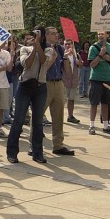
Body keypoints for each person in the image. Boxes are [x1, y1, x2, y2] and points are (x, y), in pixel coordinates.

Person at [6, 29, 49, 164]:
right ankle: (12, 153)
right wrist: (33, 49)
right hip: (25, 87)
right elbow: (27, 64)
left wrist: (38, 46)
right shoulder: (24, 49)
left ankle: (37, 153)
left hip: (40, 87)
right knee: (18, 121)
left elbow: (43, 61)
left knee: (37, 122)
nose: (32, 39)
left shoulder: (47, 50)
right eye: (31, 37)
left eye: (36, 37)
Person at [41, 27, 74, 155]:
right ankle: (35, 144)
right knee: (39, 115)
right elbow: (43, 68)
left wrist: (66, 57)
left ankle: (58, 145)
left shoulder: (60, 49)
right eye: (53, 34)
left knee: (58, 116)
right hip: (46, 83)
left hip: (59, 83)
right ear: (46, 35)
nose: (56, 36)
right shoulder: (42, 48)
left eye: (56, 33)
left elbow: (68, 72)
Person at [87, 31, 110, 135]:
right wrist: (100, 55)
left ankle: (105, 125)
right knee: (94, 103)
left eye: (102, 34)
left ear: (107, 35)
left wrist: (109, 59)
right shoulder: (93, 48)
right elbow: (92, 65)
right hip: (96, 79)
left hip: (108, 78)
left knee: (106, 103)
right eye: (99, 34)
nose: (100, 36)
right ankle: (92, 125)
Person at [63, 39, 81, 124]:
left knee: (71, 99)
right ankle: (59, 116)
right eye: (66, 44)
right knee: (61, 100)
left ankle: (70, 116)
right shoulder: (62, 54)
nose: (67, 46)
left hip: (73, 80)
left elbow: (80, 64)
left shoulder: (76, 55)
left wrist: (76, 57)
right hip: (64, 81)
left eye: (69, 44)